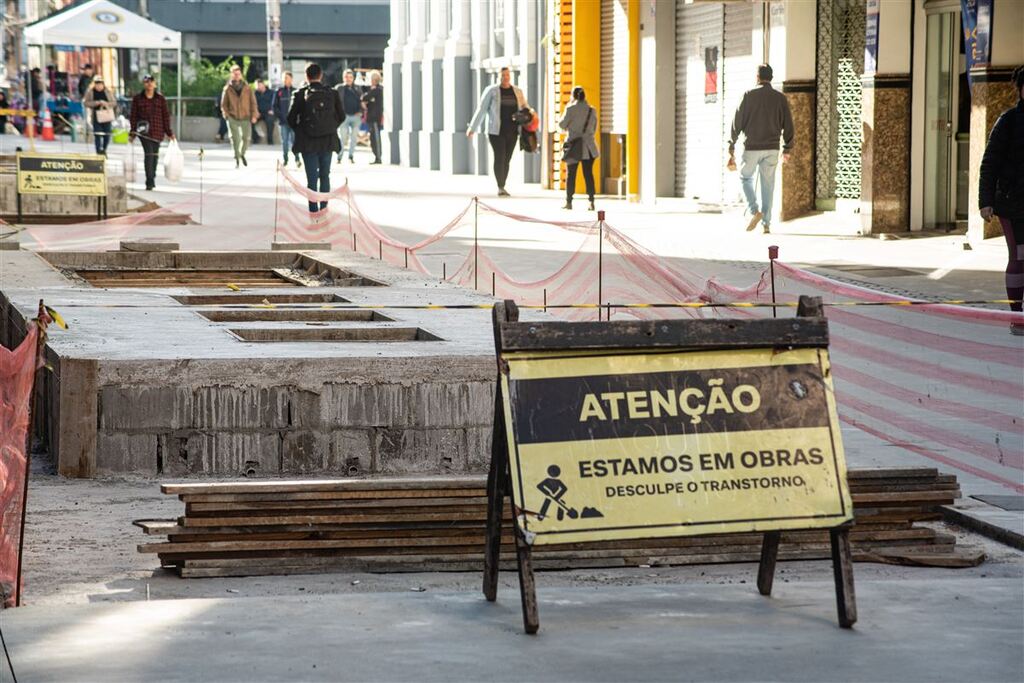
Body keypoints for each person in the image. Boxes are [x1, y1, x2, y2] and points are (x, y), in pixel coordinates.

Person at [979, 65, 1024, 336]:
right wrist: (985, 200)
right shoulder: (1008, 121)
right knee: (1019, 257)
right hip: (1012, 203)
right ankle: (1017, 316)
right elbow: (989, 163)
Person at [727, 63, 794, 234]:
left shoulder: (748, 95)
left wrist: (731, 144)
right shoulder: (780, 98)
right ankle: (766, 224)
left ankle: (754, 210)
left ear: (757, 77)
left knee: (745, 178)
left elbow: (737, 122)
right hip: (772, 149)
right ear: (771, 77)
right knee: (768, 185)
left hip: (751, 148)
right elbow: (788, 124)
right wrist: (787, 147)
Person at [287, 62, 343, 216]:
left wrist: (302, 130)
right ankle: (324, 209)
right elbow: (341, 116)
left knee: (312, 179)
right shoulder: (332, 94)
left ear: (306, 76)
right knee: (325, 175)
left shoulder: (299, 95)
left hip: (308, 143)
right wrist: (329, 127)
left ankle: (313, 211)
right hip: (327, 141)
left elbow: (290, 119)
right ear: (321, 75)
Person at [467, 66, 528, 196]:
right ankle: (500, 186)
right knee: (499, 156)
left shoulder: (517, 91)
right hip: (496, 131)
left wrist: (531, 120)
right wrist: (472, 128)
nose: (505, 77)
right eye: (503, 75)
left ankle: (503, 185)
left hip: (513, 131)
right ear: (498, 76)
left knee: (507, 158)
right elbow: (482, 109)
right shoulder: (491, 91)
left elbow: (525, 108)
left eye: (507, 75)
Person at [129, 75, 174, 191]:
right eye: (146, 82)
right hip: (144, 132)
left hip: (158, 131)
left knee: (154, 155)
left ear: (155, 84)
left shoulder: (160, 99)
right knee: (148, 154)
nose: (149, 84)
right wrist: (133, 133)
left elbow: (165, 116)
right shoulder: (137, 99)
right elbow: (133, 116)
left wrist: (169, 133)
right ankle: (149, 181)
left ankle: (152, 176)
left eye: (151, 82)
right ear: (144, 84)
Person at [559, 86, 599, 211]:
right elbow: (594, 128)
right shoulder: (592, 110)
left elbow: (561, 125)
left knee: (571, 174)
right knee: (588, 174)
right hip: (589, 147)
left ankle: (569, 202)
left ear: (573, 96)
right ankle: (591, 201)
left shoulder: (570, 109)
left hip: (574, 146)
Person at [221, 64, 258, 167]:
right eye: (235, 74)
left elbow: (253, 102)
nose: (237, 76)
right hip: (232, 117)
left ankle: (242, 154)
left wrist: (254, 114)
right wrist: (227, 115)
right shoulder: (227, 89)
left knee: (246, 138)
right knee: (235, 138)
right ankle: (236, 157)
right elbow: (223, 104)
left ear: (241, 75)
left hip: (245, 116)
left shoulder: (247, 88)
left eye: (238, 74)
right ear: (231, 75)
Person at [83, 76, 117, 156]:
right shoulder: (90, 92)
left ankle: (104, 150)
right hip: (96, 115)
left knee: (107, 134)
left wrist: (106, 104)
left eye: (100, 84)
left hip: (106, 115)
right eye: (97, 84)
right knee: (97, 134)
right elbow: (86, 103)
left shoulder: (108, 92)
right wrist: (96, 103)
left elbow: (114, 103)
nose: (99, 86)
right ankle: (98, 151)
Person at [335, 69, 363, 163]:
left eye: (350, 77)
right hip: (344, 116)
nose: (348, 79)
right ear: (343, 78)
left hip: (356, 116)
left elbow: (362, 100)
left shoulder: (357, 88)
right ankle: (339, 157)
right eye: (346, 77)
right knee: (342, 138)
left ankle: (351, 156)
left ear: (353, 78)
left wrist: (361, 111)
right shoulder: (339, 88)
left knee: (354, 138)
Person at [273, 72, 300, 167]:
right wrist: (281, 117)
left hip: (294, 122)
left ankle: (297, 159)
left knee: (295, 141)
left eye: (287, 78)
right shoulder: (279, 91)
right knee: (284, 142)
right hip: (283, 122)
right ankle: (285, 159)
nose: (285, 80)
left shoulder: (296, 91)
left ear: (291, 79)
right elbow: (274, 106)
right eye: (284, 78)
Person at [361, 70, 384, 165]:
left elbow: (365, 98)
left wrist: (367, 99)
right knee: (372, 139)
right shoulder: (373, 89)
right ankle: (376, 157)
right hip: (371, 117)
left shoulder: (378, 89)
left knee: (376, 138)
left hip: (375, 118)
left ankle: (378, 157)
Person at [254, 79, 275, 145]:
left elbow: (274, 103)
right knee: (250, 121)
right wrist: (255, 112)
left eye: (259, 85)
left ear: (263, 84)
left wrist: (272, 110)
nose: (257, 87)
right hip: (259, 113)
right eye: (256, 86)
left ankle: (270, 140)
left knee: (270, 121)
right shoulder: (255, 93)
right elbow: (253, 103)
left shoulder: (271, 92)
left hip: (269, 112)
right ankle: (256, 138)